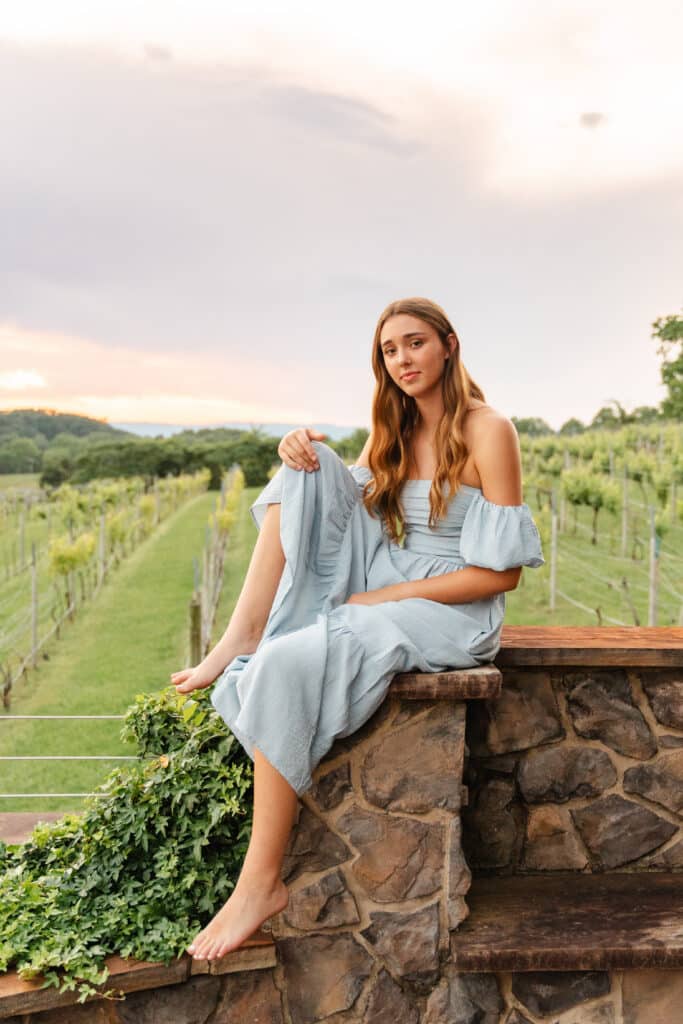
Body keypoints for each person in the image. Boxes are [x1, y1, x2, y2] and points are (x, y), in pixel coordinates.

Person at [170, 296, 545, 961]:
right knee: (300, 468)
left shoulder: (490, 430)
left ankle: (259, 884)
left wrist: (396, 593)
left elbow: (501, 576)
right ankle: (240, 635)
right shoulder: (391, 426)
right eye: (388, 350)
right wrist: (300, 454)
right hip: (383, 573)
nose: (401, 359)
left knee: (288, 667)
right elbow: (352, 507)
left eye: (414, 343)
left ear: (449, 345)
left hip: (450, 605)